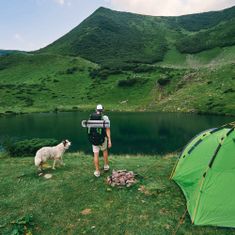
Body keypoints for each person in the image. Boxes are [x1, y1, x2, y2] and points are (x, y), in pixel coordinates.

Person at [92, 104, 112, 177]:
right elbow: (108, 129)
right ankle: (106, 166)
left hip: (94, 139)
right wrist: (109, 140)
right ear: (103, 110)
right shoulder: (105, 117)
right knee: (104, 151)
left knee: (96, 154)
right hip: (103, 138)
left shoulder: (92, 117)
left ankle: (97, 171)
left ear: (96, 110)